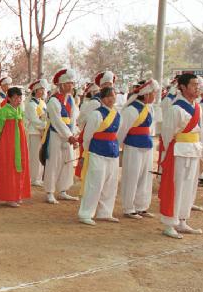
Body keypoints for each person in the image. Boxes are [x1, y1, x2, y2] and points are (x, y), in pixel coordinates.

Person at [159, 74, 203, 239]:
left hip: (193, 150)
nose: (197, 88)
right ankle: (170, 223)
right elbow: (167, 134)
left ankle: (182, 220)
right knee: (176, 187)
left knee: (189, 187)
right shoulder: (175, 108)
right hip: (178, 151)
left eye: (198, 85)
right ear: (183, 87)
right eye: (193, 85)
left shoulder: (197, 107)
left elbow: (199, 133)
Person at [76, 87, 121, 226]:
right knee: (94, 183)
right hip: (97, 152)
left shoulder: (117, 114)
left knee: (110, 184)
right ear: (102, 99)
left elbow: (117, 132)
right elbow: (88, 136)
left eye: (113, 96)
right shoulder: (96, 114)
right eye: (107, 97)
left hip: (112, 151)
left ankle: (105, 212)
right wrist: (88, 151)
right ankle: (86, 213)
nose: (111, 99)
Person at [117, 79, 159, 219]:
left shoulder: (149, 108)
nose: (155, 95)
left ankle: (141, 206)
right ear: (146, 94)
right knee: (131, 176)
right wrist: (117, 146)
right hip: (133, 145)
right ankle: (129, 207)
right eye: (153, 93)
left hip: (146, 145)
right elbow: (122, 130)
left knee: (145, 177)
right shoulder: (131, 110)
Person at [42, 68, 79, 205]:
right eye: (69, 83)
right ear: (61, 85)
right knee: (54, 162)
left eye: (72, 83)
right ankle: (50, 192)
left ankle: (63, 190)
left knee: (68, 162)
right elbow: (57, 121)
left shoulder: (71, 100)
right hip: (56, 135)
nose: (71, 86)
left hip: (68, 135)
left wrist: (73, 133)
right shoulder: (53, 101)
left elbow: (73, 118)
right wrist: (69, 136)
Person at [0, 87, 31, 207]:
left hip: (19, 143)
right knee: (9, 167)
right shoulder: (3, 111)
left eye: (20, 98)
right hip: (8, 144)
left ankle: (17, 194)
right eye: (15, 98)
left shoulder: (19, 110)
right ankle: (9, 197)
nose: (18, 100)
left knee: (20, 166)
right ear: (8, 98)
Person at [24, 79, 48, 187]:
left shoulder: (42, 103)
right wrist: (45, 125)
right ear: (35, 91)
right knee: (34, 156)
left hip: (42, 132)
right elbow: (34, 120)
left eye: (43, 90)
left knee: (40, 155)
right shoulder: (31, 104)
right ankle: (33, 178)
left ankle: (39, 177)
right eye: (40, 90)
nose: (42, 92)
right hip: (34, 132)